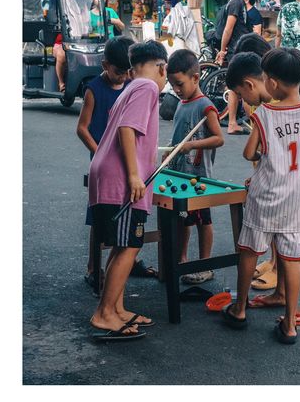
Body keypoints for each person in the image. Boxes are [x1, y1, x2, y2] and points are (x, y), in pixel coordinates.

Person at [222, 48, 300, 344]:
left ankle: (239, 309)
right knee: (292, 258)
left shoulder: (264, 114)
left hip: (264, 198)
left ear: (274, 83)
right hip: (298, 202)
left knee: (251, 251)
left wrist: (266, 151)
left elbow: (249, 152)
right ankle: (290, 325)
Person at [88, 40, 168, 341]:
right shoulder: (147, 88)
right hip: (121, 180)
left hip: (109, 175)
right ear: (162, 68)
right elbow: (127, 130)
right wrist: (135, 176)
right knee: (130, 246)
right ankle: (104, 313)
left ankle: (116, 308)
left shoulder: (130, 88)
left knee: (123, 246)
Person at [76, 37, 157, 288]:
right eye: (117, 71)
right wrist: (101, 151)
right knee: (99, 223)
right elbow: (82, 128)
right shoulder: (94, 89)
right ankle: (94, 268)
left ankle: (127, 263)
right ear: (104, 64)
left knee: (127, 228)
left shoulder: (131, 86)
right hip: (108, 162)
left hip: (122, 162)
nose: (122, 77)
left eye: (126, 72)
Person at [166, 49, 224, 284]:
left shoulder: (205, 106)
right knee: (183, 218)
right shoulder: (182, 104)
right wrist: (169, 153)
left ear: (196, 78)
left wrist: (192, 145)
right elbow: (177, 137)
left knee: (203, 221)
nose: (177, 90)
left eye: (180, 84)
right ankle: (182, 260)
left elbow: (219, 138)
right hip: (181, 177)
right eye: (173, 85)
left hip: (199, 179)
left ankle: (205, 265)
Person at [215, 0, 257, 135]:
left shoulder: (242, 2)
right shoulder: (236, 3)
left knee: (235, 88)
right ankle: (254, 126)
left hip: (239, 50)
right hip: (236, 51)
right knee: (247, 88)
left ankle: (233, 123)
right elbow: (228, 29)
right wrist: (223, 50)